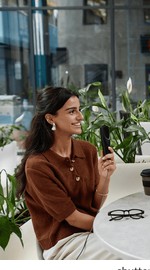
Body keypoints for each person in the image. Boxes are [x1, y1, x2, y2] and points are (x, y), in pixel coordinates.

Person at [16, 87, 120, 260]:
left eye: (79, 110)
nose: (80, 117)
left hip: (91, 232)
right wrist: (112, 227)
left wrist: (105, 177)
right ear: (50, 118)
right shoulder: (37, 166)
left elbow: (94, 206)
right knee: (124, 256)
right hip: (64, 244)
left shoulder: (87, 150)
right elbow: (73, 219)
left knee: (137, 246)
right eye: (72, 112)